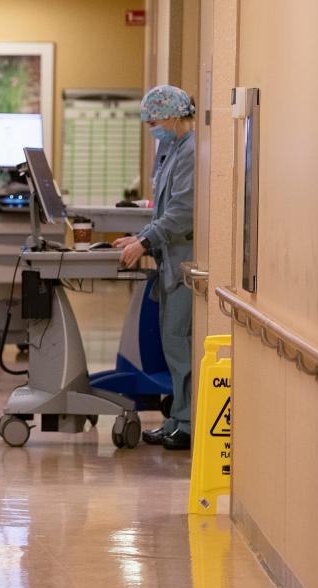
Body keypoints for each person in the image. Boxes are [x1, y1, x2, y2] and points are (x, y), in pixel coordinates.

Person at [114, 85, 195, 450]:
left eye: (156, 120)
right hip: (169, 259)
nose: (153, 128)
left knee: (180, 344)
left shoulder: (192, 150)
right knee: (172, 344)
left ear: (176, 114)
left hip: (183, 260)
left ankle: (188, 423)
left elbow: (182, 211)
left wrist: (144, 242)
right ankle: (177, 417)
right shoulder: (171, 148)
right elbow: (161, 208)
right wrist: (140, 235)